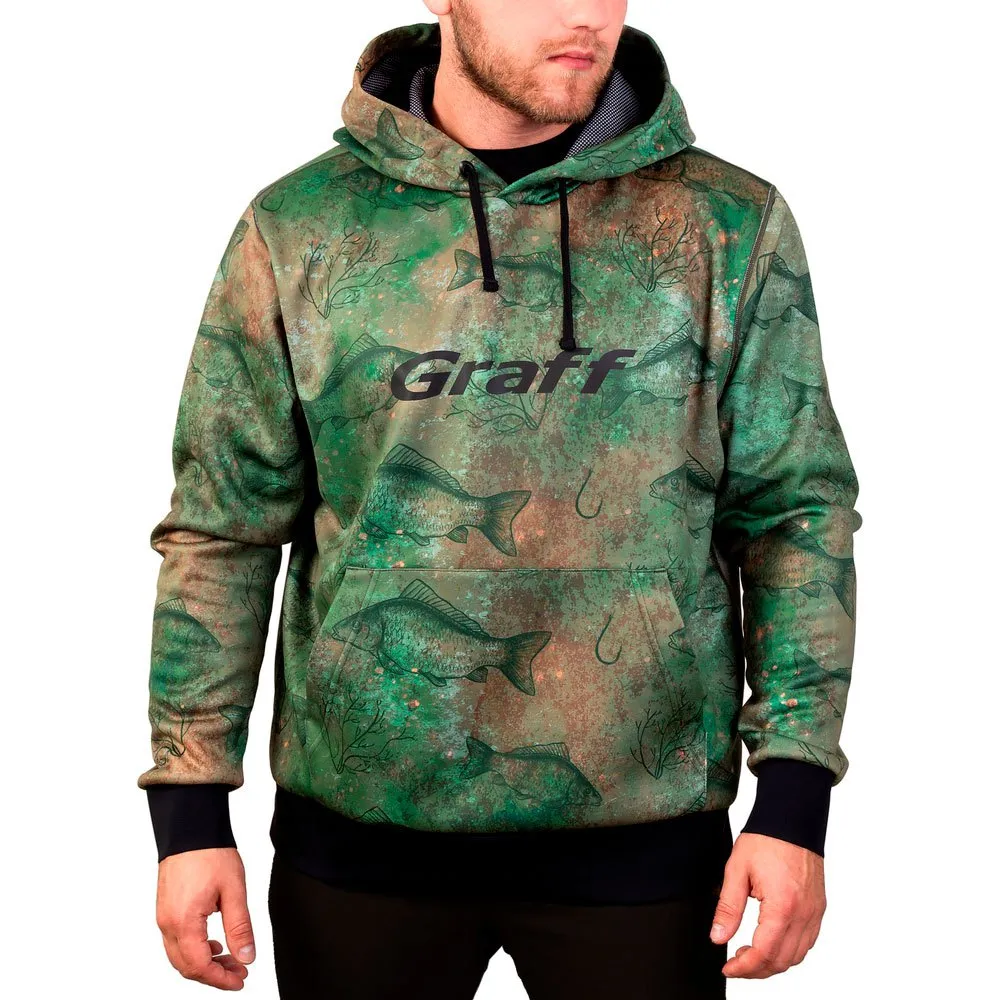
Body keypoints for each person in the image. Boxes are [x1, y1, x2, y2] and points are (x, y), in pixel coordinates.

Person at [139, 2, 862, 996]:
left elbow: (793, 516)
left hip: (645, 845)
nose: (583, 12)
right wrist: (188, 809)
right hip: (359, 840)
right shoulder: (300, 228)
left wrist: (793, 798)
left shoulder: (726, 225)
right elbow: (224, 527)